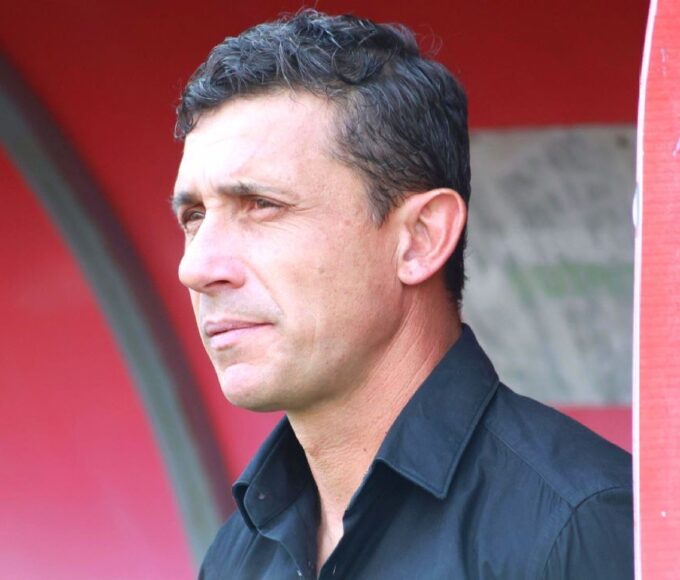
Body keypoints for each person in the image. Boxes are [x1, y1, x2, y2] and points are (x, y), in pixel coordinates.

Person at [172, 10, 633, 579]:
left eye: (262, 205)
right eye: (194, 216)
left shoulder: (580, 529)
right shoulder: (237, 554)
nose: (196, 267)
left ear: (420, 238)